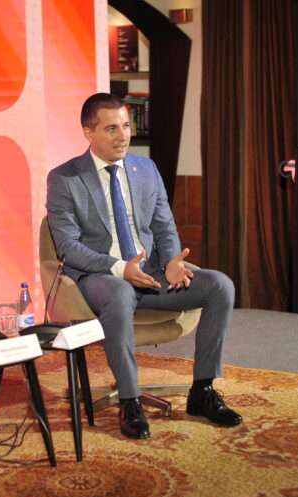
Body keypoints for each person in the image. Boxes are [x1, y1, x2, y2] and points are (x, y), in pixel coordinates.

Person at [46, 92, 243, 440]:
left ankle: (202, 391)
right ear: (89, 133)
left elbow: (163, 226)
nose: (123, 136)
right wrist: (120, 268)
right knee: (120, 292)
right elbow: (68, 247)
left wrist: (171, 262)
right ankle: (130, 400)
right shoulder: (65, 178)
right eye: (111, 128)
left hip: (151, 275)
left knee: (220, 285)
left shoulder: (146, 169)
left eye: (126, 126)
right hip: (101, 277)